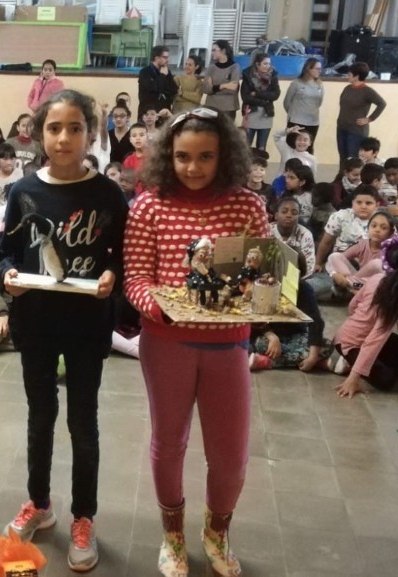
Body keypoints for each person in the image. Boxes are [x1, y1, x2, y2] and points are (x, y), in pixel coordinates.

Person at [123, 106, 269, 577]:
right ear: (168, 156)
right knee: (169, 443)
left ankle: (216, 532)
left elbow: (265, 277)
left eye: (206, 156)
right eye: (183, 156)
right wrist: (160, 306)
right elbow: (136, 278)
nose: (193, 167)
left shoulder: (247, 206)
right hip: (166, 344)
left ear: (225, 156)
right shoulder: (148, 206)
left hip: (229, 346)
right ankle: (173, 536)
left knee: (230, 454)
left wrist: (271, 301)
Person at [0, 89, 128, 573]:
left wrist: (112, 277)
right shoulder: (24, 191)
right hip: (36, 321)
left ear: (90, 134)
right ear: (39, 133)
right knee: (40, 417)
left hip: (87, 325)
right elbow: (7, 250)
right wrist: (9, 275)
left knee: (83, 423)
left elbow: (122, 256)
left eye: (75, 128)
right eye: (54, 128)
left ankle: (83, 517)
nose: (64, 138)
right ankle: (39, 503)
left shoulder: (108, 194)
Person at [331, 237, 398, 397]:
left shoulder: (389, 286)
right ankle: (349, 363)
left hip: (368, 338)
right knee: (388, 381)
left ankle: (365, 363)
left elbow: (352, 306)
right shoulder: (383, 286)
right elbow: (374, 340)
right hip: (349, 342)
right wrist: (354, 378)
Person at [325, 209, 397, 298]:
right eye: (374, 226)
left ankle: (349, 287)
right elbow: (340, 259)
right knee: (334, 256)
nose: (377, 230)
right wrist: (334, 274)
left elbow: (390, 278)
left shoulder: (391, 250)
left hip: (373, 285)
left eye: (383, 228)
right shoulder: (362, 244)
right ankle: (349, 286)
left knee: (377, 264)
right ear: (368, 228)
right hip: (357, 282)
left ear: (390, 233)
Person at [336, 62, 386, 161]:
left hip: (356, 131)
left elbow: (382, 104)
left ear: (357, 76)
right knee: (343, 157)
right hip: (342, 127)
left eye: (350, 74)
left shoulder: (367, 91)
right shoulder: (347, 88)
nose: (348, 75)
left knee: (354, 158)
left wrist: (369, 119)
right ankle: (342, 172)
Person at [240, 53, 280, 150]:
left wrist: (257, 94)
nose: (268, 66)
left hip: (266, 114)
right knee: (246, 146)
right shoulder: (248, 75)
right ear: (257, 64)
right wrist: (264, 102)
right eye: (265, 64)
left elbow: (275, 95)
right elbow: (246, 97)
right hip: (251, 114)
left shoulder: (273, 76)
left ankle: (259, 161)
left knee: (261, 147)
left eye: (269, 63)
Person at [283, 58, 324, 149]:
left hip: (313, 122)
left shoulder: (319, 85)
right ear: (309, 69)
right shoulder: (296, 83)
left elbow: (319, 102)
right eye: (317, 69)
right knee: (292, 147)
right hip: (297, 121)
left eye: (320, 69)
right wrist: (294, 114)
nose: (319, 71)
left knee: (308, 147)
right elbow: (287, 102)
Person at [272, 196, 316, 278]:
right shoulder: (267, 231)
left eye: (294, 213)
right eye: (284, 212)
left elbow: (309, 268)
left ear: (299, 217)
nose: (289, 215)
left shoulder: (305, 234)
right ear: (276, 215)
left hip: (296, 279)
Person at [202, 40, 241, 122]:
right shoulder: (211, 68)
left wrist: (213, 88)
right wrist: (224, 86)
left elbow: (232, 90)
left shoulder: (234, 67)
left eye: (214, 50)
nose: (212, 53)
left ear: (223, 50)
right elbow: (206, 89)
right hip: (211, 107)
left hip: (228, 107)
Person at [138, 46, 175, 121]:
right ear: (157, 58)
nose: (167, 60)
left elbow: (174, 89)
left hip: (164, 112)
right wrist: (162, 76)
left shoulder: (167, 71)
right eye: (165, 57)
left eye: (167, 57)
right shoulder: (145, 72)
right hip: (148, 112)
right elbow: (153, 88)